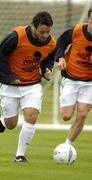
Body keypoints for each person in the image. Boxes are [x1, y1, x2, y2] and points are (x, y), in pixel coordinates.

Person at [0, 11, 56, 162]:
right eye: (42, 32)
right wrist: (10, 76)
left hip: (32, 85)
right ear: (34, 27)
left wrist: (46, 69)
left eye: (48, 31)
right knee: (11, 125)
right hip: (10, 85)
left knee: (32, 115)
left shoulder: (51, 42)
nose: (45, 35)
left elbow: (48, 57)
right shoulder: (17, 37)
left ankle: (20, 155)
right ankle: (3, 118)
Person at [55, 8, 92, 145]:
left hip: (90, 82)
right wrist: (60, 58)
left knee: (82, 114)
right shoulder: (76, 30)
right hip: (71, 78)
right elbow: (61, 42)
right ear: (89, 19)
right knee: (66, 116)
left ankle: (67, 146)